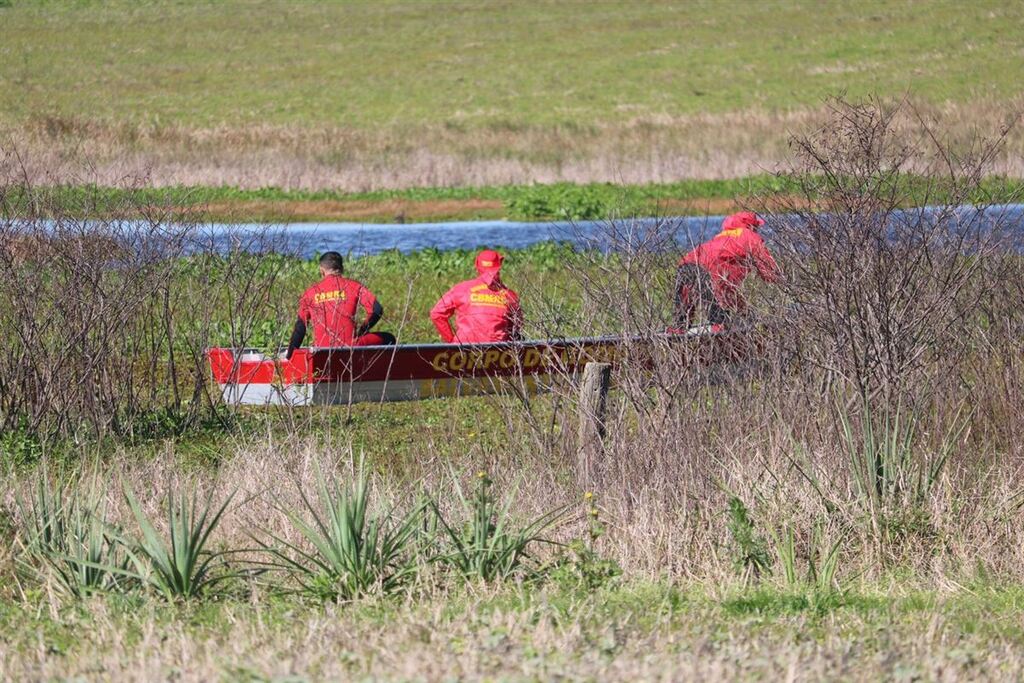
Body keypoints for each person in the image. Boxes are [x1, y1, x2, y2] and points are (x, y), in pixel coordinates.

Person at [671, 211, 780, 333]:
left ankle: (676, 339)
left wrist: (746, 313)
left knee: (680, 324)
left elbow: (729, 291)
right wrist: (785, 284)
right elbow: (770, 273)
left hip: (685, 265)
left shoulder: (720, 237)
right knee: (720, 323)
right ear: (751, 226)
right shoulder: (750, 236)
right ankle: (721, 346)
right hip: (708, 273)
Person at [285, 251, 395, 358]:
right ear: (341, 269)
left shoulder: (310, 293)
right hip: (351, 348)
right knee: (389, 338)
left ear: (321, 271)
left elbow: (300, 328)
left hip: (320, 350)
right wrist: (362, 330)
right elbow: (377, 310)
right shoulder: (354, 286)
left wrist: (289, 357)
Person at [430, 249, 523, 344]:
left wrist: (451, 342)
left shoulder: (461, 289)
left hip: (462, 350)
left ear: (477, 266)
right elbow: (517, 326)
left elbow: (436, 313)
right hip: (498, 352)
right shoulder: (510, 295)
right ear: (499, 266)